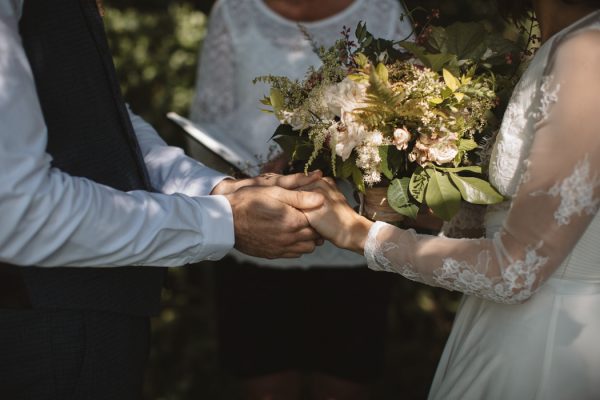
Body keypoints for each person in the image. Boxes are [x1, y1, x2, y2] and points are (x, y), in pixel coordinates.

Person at [0, 1, 325, 398]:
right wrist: (224, 221)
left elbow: (103, 118)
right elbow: (21, 210)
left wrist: (219, 189)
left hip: (99, 317)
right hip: (41, 330)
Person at [301, 0, 600, 399]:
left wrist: (359, 234)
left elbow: (516, 271)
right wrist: (405, 199)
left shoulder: (587, 54)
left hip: (546, 341)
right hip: (501, 323)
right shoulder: (564, 42)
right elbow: (526, 219)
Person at [188, 0, 413, 398]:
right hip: (254, 238)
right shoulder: (235, 10)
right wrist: (248, 180)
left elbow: (406, 117)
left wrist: (324, 156)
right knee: (265, 386)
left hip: (353, 240)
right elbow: (209, 118)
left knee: (344, 385)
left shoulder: (382, 11)